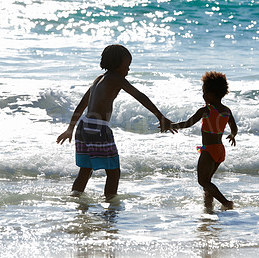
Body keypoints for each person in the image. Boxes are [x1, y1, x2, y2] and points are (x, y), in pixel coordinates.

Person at [56, 44, 173, 200]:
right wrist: (160, 116)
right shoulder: (117, 79)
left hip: (83, 126)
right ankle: (110, 206)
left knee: (85, 169)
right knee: (113, 172)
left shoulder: (98, 79)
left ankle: (76, 201)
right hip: (99, 128)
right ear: (116, 64)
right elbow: (139, 96)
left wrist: (70, 128)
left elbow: (82, 104)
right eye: (127, 66)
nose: (128, 70)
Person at [169, 71, 237, 210]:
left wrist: (171, 125)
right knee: (208, 182)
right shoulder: (227, 111)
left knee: (203, 181)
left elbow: (188, 123)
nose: (203, 95)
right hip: (220, 150)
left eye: (204, 92)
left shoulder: (206, 110)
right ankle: (208, 206)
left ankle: (226, 203)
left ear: (210, 94)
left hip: (209, 150)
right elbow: (234, 128)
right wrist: (232, 135)